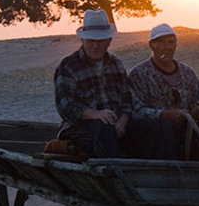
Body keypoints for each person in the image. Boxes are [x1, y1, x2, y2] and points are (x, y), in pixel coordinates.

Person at [53, 9, 159, 158]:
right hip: (80, 128)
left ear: (109, 41)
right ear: (82, 40)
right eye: (91, 40)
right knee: (102, 129)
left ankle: (151, 173)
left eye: (100, 40)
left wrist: (122, 121)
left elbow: (126, 100)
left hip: (115, 124)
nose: (95, 45)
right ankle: (115, 174)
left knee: (151, 126)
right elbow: (65, 105)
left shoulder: (116, 64)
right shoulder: (68, 66)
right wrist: (94, 114)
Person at [129, 24, 199, 161]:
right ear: (152, 46)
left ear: (176, 44)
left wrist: (197, 110)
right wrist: (164, 114)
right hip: (157, 132)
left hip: (187, 128)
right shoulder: (140, 74)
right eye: (161, 43)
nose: (167, 47)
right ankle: (171, 173)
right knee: (167, 127)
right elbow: (136, 110)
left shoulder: (187, 73)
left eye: (171, 42)